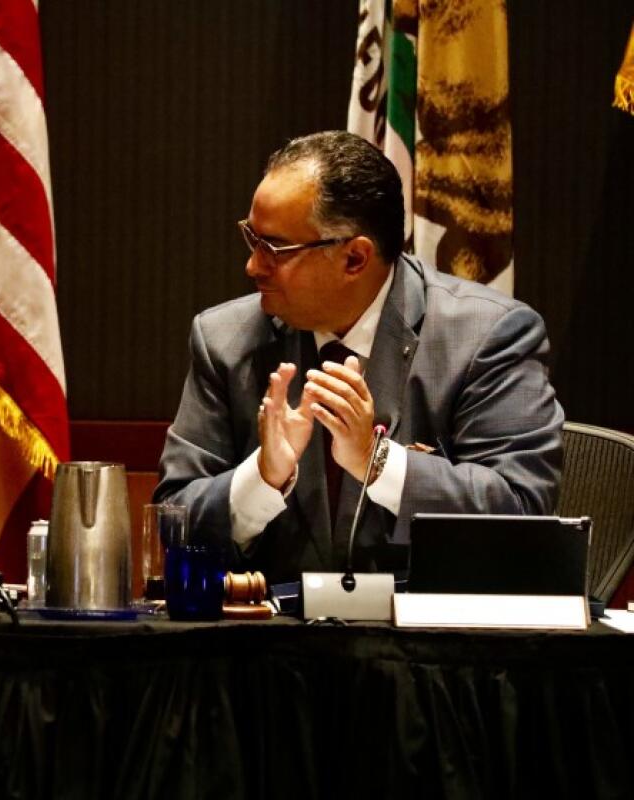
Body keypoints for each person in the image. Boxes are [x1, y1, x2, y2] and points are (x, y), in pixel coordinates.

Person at [153, 131, 563, 584]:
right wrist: (262, 478)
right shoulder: (225, 340)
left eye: (273, 248)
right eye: (252, 238)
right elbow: (176, 518)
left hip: (431, 646)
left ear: (354, 258)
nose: (253, 266)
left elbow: (521, 513)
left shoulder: (487, 335)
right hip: (266, 644)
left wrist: (377, 460)